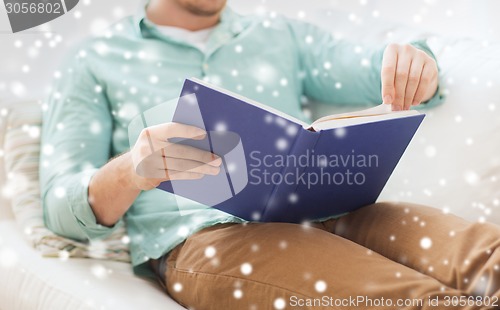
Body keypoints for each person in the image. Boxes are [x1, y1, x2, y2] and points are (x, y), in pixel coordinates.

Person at [40, 0, 500, 309]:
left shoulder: (279, 34)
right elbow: (60, 207)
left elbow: (377, 69)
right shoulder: (95, 59)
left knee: (486, 257)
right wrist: (127, 173)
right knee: (417, 300)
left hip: (335, 210)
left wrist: (416, 63)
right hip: (209, 239)